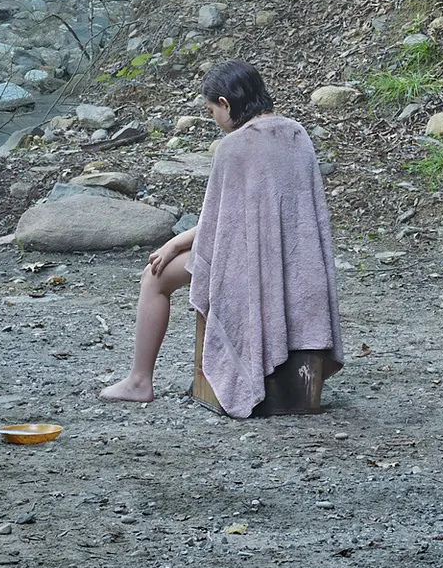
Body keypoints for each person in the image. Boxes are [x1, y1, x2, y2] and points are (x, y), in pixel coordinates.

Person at [98, 61, 343, 413]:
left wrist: (172, 245)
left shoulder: (234, 148)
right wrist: (177, 243)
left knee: (154, 278)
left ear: (226, 104)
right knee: (171, 262)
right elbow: (252, 217)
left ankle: (139, 382)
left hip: (250, 270)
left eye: (211, 110)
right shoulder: (296, 134)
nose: (213, 118)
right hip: (300, 269)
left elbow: (218, 229)